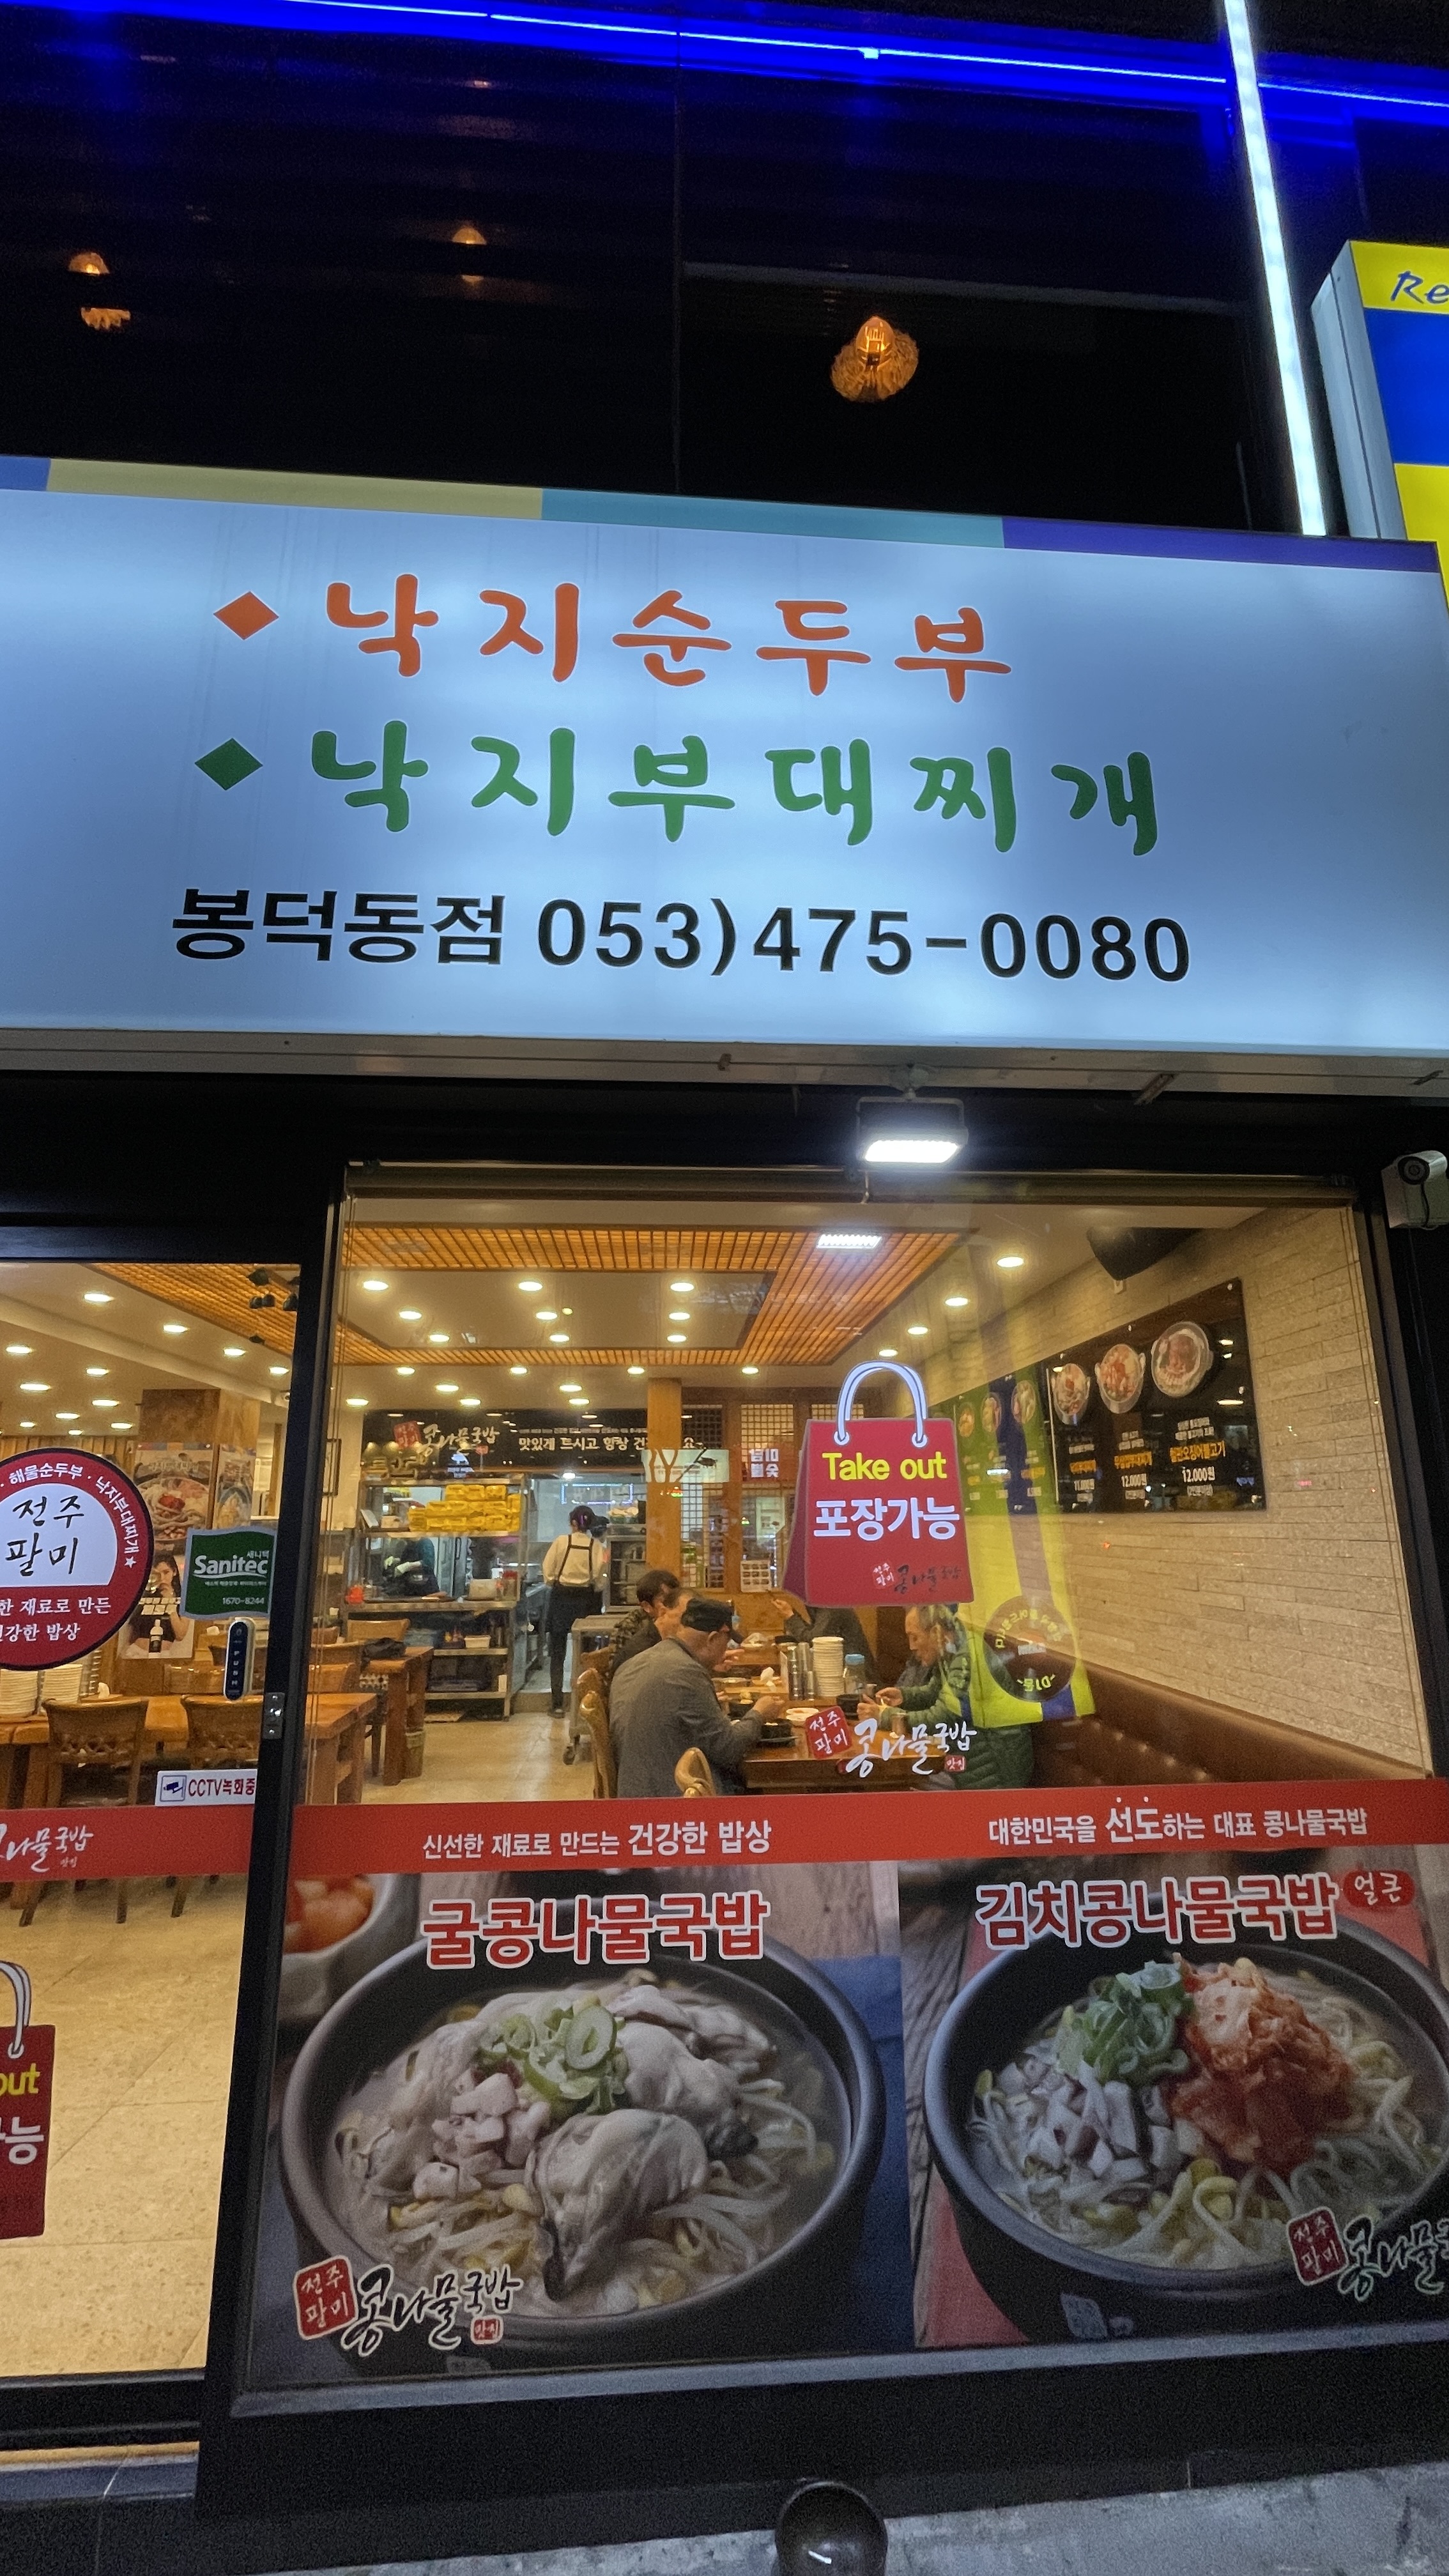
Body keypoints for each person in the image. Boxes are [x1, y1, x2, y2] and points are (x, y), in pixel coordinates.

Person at [611, 1595, 784, 1795]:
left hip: (634, 1789)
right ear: (712, 1639)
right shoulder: (687, 1673)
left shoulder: (637, 1662)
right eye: (726, 1643)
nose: (725, 1651)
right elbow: (729, 1749)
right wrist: (759, 1713)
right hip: (671, 1797)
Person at [869, 1603, 1035, 1789]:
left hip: (995, 1773)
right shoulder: (953, 1648)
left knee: (901, 1781)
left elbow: (943, 1717)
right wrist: (904, 1697)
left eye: (915, 1637)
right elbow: (935, 1692)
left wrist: (885, 1716)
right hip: (971, 1762)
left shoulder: (969, 1658)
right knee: (900, 1779)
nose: (912, 1646)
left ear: (936, 1632)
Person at [541, 1505, 609, 1712]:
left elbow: (548, 1571)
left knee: (558, 1653)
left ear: (573, 1523)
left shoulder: (561, 1542)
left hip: (561, 1599)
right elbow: (600, 1579)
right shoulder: (596, 1546)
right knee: (586, 1655)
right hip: (586, 1601)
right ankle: (583, 1702)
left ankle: (557, 1705)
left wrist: (554, 1581)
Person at [609, 1568, 682, 1678]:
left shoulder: (682, 1620)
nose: (674, 1606)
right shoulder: (629, 1627)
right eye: (667, 1601)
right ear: (647, 1606)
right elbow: (618, 1673)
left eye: (677, 1601)